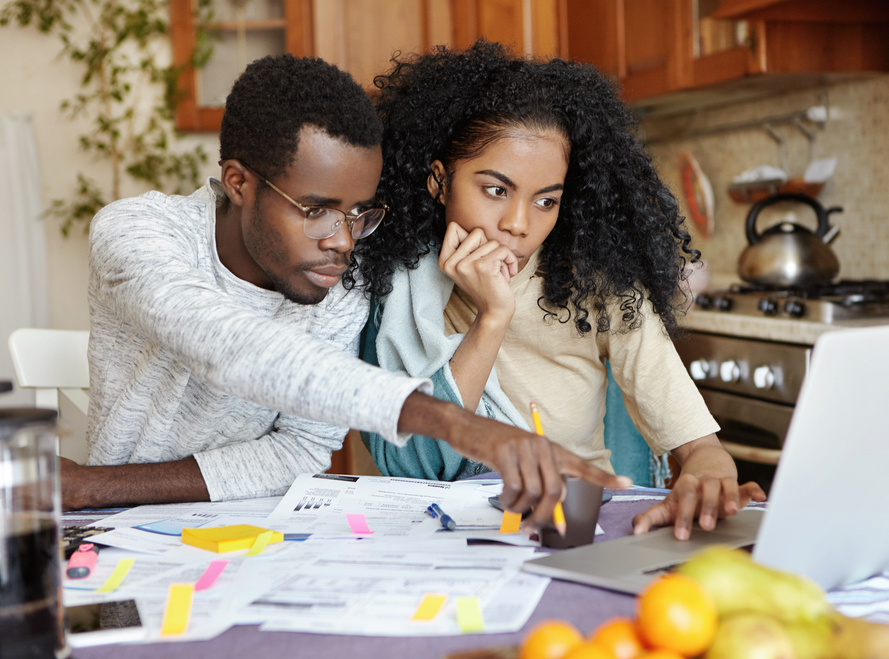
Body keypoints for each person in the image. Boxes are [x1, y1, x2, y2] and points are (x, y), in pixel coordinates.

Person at [65, 54, 626, 520]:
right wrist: (458, 425)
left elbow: (303, 448)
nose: (342, 241)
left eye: (359, 213)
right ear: (238, 183)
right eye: (315, 210)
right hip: (117, 526)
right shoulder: (137, 233)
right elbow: (227, 347)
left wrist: (91, 484)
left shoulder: (340, 284)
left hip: (266, 532)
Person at [356, 43, 765, 539]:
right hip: (447, 535)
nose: (518, 225)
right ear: (440, 181)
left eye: (546, 200)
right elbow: (413, 466)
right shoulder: (392, 285)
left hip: (577, 527)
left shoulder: (598, 285)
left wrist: (709, 475)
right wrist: (492, 317)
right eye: (495, 190)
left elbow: (700, 448)